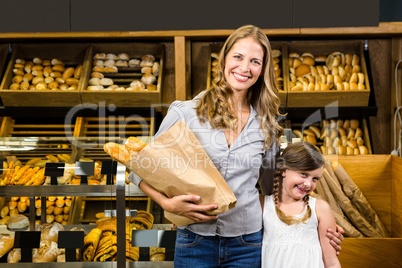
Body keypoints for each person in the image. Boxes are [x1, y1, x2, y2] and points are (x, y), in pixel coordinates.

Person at [130, 24, 343, 267]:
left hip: (248, 243)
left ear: (262, 69)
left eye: (255, 61)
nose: (244, 68)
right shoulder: (185, 112)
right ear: (224, 60)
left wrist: (316, 224)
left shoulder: (267, 124)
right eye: (238, 57)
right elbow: (139, 169)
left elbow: (271, 187)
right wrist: (167, 203)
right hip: (194, 240)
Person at [261, 142, 341, 268]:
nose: (308, 184)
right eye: (304, 174)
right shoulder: (263, 205)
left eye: (315, 179)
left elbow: (332, 263)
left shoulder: (320, 209)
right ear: (283, 170)